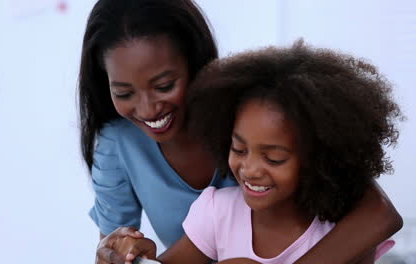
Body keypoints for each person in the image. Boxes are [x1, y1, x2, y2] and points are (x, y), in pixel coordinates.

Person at [77, 0, 403, 263]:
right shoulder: (215, 209)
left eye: (164, 85)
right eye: (123, 93)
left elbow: (377, 212)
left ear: (196, 65)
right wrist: (121, 253)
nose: (148, 109)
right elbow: (129, 251)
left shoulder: (249, 113)